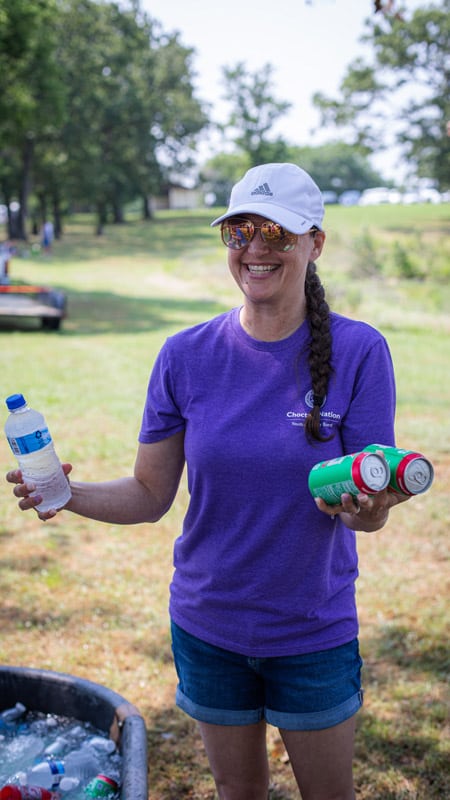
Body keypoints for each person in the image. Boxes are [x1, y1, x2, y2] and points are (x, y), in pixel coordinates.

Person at [7, 163, 411, 800]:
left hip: (312, 628)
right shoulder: (185, 355)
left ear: (315, 243)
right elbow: (149, 494)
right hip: (208, 625)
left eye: (277, 234)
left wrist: (370, 507)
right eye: (239, 231)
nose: (255, 249)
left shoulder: (361, 352)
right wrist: (66, 493)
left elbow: (368, 505)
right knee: (237, 793)